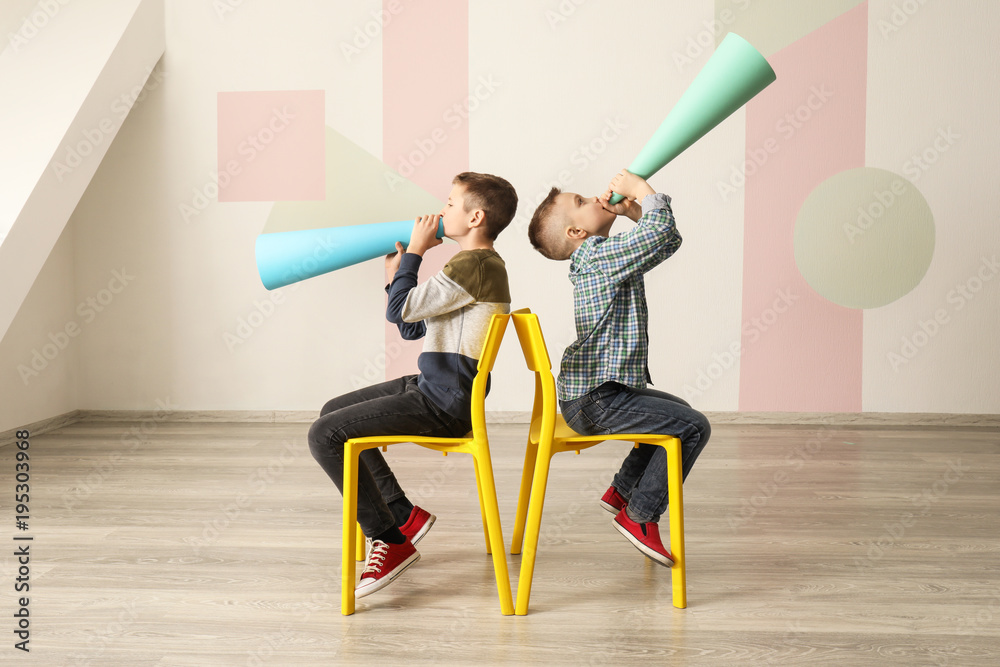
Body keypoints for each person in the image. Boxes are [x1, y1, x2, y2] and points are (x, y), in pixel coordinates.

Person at [309, 172, 517, 597]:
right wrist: (395, 279)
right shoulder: (475, 268)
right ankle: (402, 514)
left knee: (324, 434)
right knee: (333, 411)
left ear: (475, 216)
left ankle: (389, 538)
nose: (441, 211)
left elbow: (398, 313)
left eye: (451, 203)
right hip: (436, 385)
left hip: (444, 402)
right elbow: (410, 327)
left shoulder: (474, 265)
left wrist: (415, 255)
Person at [527, 169, 710, 566]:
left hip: (599, 393)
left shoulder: (604, 256)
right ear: (576, 233)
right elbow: (661, 235)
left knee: (677, 410)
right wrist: (643, 192)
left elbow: (666, 241)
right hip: (595, 401)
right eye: (580, 203)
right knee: (692, 426)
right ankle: (640, 515)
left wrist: (636, 214)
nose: (594, 198)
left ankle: (624, 490)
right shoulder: (596, 257)